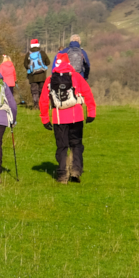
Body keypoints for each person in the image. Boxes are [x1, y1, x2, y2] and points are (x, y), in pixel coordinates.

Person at [38, 53, 97, 184]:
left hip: (59, 118)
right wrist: (91, 112)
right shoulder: (76, 76)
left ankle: (62, 175)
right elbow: (87, 93)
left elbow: (43, 101)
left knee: (62, 146)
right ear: (68, 63)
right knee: (76, 144)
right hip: (77, 116)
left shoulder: (50, 79)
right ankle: (75, 170)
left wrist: (45, 118)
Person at [25, 39, 51, 109]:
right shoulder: (42, 53)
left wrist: (30, 68)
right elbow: (48, 62)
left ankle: (36, 105)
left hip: (32, 76)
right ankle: (42, 105)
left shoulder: (28, 54)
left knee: (34, 91)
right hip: (42, 76)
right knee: (42, 90)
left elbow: (25, 64)